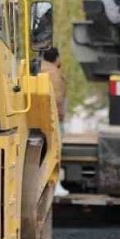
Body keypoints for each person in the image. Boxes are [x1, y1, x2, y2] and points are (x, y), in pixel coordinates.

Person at [39, 47, 70, 198]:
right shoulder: (54, 73)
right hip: (53, 119)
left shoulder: (40, 69)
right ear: (56, 58)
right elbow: (57, 98)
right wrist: (59, 116)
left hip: (41, 119)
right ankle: (55, 184)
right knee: (55, 151)